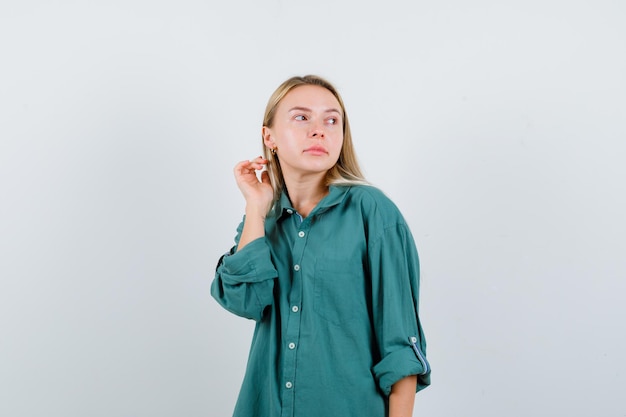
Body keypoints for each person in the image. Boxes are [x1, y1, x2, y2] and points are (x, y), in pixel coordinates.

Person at [211, 75, 430, 417]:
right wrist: (255, 205)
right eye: (301, 117)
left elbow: (401, 344)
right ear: (269, 137)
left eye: (331, 120)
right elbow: (245, 302)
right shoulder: (263, 218)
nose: (319, 130)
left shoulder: (372, 211)